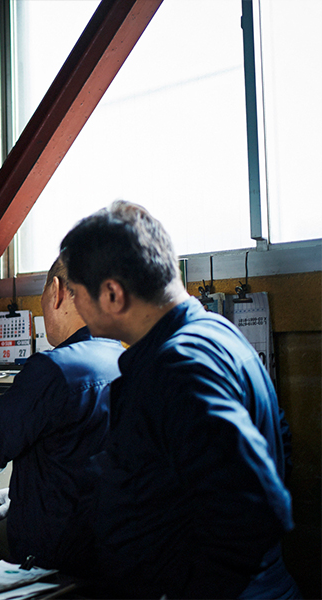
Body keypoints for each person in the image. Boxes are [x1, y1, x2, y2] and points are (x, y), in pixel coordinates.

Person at [59, 200, 299, 598]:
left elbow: (258, 498)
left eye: (73, 291)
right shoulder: (218, 334)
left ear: (112, 293)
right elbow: (279, 446)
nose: (72, 303)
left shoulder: (179, 366)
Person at [0, 257, 123, 575]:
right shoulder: (123, 359)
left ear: (56, 291)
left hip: (54, 563)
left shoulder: (54, 368)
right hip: (110, 557)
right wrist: (20, 494)